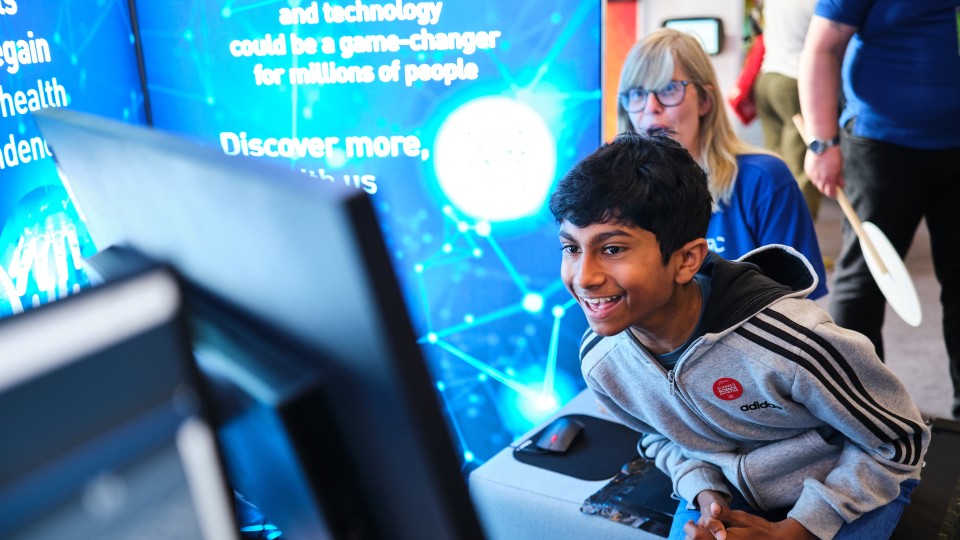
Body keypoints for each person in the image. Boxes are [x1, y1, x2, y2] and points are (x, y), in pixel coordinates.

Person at [549, 130, 928, 540]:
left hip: (849, 482)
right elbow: (657, 435)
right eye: (571, 248)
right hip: (729, 490)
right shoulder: (600, 360)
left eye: (612, 249)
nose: (584, 277)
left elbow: (899, 441)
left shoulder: (794, 342)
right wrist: (703, 490)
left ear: (687, 260)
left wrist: (798, 529)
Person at [798, 1, 960, 416]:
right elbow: (822, 48)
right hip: (882, 146)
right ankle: (865, 415)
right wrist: (821, 142)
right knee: (865, 282)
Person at [618, 28, 828, 299]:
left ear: (705, 101)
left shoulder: (764, 181)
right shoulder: (618, 194)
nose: (650, 107)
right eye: (636, 93)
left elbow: (801, 305)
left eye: (668, 89)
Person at [755, 0, 822, 220]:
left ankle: (770, 232)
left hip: (767, 77)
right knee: (802, 172)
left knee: (772, 167)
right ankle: (798, 238)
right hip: (795, 81)